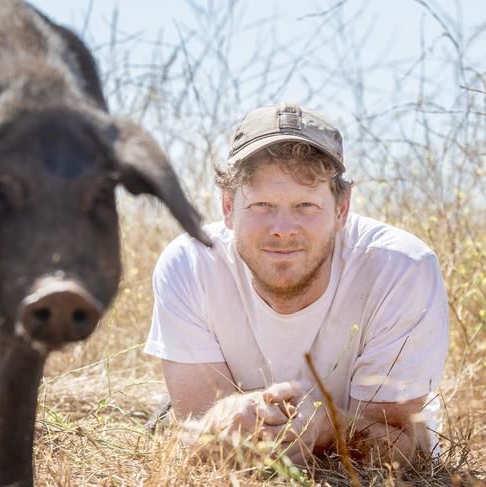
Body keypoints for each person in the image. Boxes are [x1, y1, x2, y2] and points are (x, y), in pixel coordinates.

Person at [144, 102, 449, 465]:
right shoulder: (190, 264)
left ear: (341, 210)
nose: (283, 229)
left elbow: (402, 445)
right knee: (173, 428)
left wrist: (325, 428)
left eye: (306, 205)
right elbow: (198, 434)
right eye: (261, 204)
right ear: (227, 208)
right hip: (245, 461)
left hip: (351, 466)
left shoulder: (402, 270)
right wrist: (225, 418)